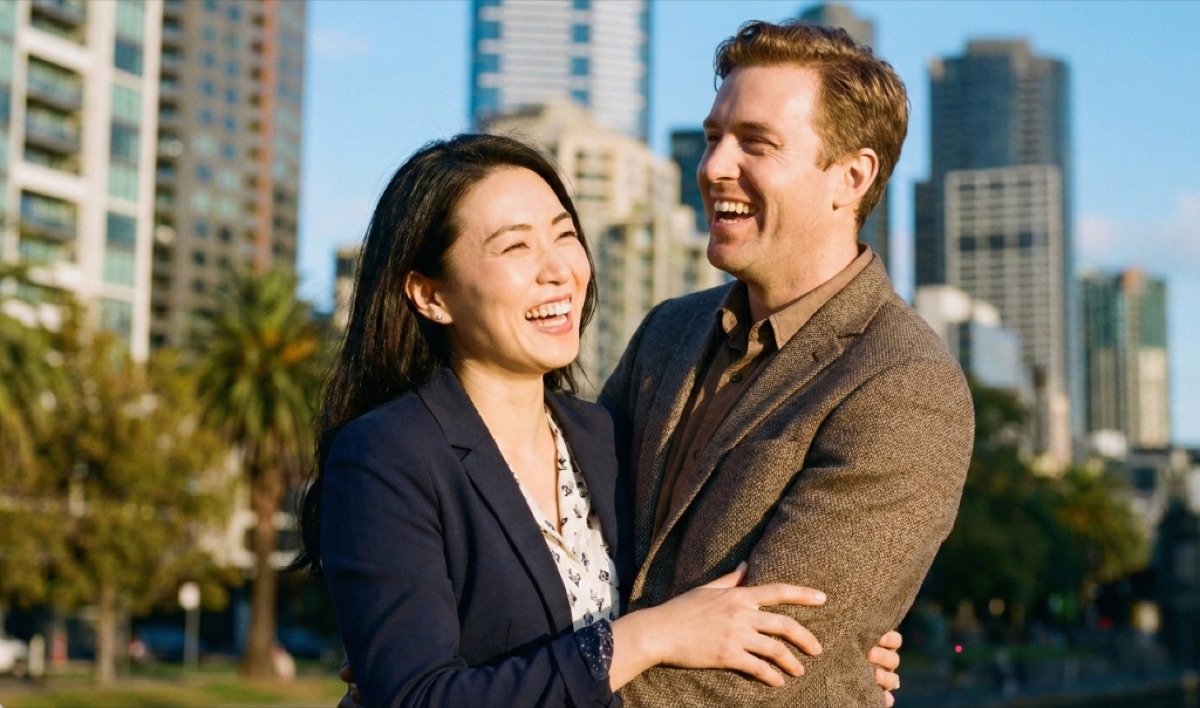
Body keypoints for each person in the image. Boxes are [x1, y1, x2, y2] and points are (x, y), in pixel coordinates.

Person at [297, 133, 902, 707]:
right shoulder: (387, 456)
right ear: (430, 295)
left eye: (564, 235)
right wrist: (645, 638)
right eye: (514, 246)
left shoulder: (608, 437)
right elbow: (419, 699)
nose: (557, 268)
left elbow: (700, 586)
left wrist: (840, 653)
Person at [599, 20, 974, 706]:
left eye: (756, 144)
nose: (713, 167)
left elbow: (761, 677)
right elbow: (548, 527)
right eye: (714, 137)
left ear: (850, 177)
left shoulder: (904, 385)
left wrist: (497, 687)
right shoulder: (667, 333)